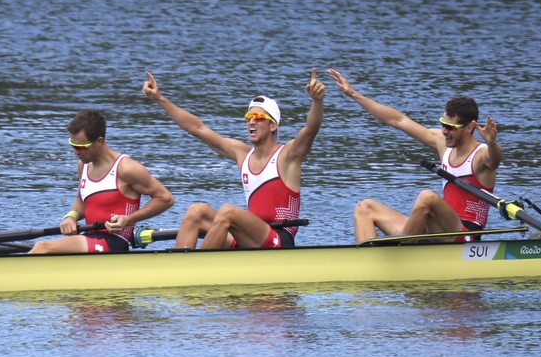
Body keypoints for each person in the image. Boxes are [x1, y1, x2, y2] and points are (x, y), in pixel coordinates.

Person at [142, 68, 325, 249]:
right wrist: (160, 99)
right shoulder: (242, 154)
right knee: (195, 212)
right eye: (248, 117)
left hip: (279, 239)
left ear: (273, 126)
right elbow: (198, 129)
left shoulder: (288, 155)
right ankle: (178, 269)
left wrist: (317, 101)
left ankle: (195, 267)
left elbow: (310, 130)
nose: (251, 122)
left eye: (258, 117)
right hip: (249, 237)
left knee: (228, 212)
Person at [326, 68, 502, 243]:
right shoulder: (442, 143)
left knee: (427, 196)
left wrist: (492, 143)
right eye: (443, 124)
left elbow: (494, 160)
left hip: (464, 235)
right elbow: (398, 120)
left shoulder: (481, 155)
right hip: (434, 230)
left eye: (450, 127)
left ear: (469, 128)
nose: (444, 131)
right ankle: (367, 260)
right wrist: (352, 93)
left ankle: (403, 251)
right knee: (365, 208)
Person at [29, 110, 174, 254]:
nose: (76, 152)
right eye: (72, 145)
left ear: (99, 141)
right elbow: (81, 198)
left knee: (43, 247)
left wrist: (128, 219)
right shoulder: (83, 165)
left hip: (115, 242)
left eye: (81, 147)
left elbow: (165, 198)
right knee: (40, 248)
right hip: (90, 238)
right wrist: (71, 217)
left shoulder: (127, 168)